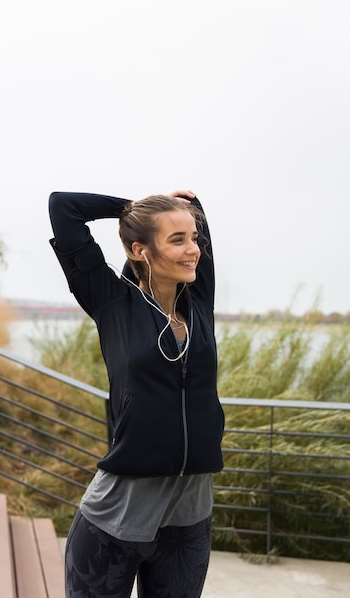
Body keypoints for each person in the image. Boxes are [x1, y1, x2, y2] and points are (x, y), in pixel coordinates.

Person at [48, 189, 224, 598]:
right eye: (177, 239)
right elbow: (63, 206)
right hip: (118, 514)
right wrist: (132, 208)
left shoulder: (199, 301)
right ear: (140, 250)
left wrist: (180, 209)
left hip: (189, 513)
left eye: (193, 238)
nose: (192, 250)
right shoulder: (114, 303)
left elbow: (196, 214)